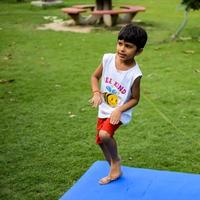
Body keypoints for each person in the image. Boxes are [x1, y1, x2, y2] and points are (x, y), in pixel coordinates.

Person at [90, 23, 148, 185]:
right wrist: (96, 93)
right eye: (120, 43)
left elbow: (135, 99)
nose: (122, 49)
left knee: (105, 134)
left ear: (139, 51)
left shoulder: (135, 74)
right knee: (100, 141)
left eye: (128, 46)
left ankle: (116, 161)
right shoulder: (107, 59)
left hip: (120, 111)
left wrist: (119, 110)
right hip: (104, 109)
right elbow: (95, 77)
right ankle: (114, 169)